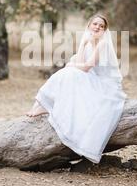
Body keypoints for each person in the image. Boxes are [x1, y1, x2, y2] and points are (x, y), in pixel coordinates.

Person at [25, 14, 128, 163]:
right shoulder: (87, 39)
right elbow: (80, 62)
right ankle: (44, 105)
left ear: (105, 30)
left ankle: (46, 105)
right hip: (93, 78)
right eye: (95, 24)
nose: (98, 27)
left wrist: (72, 65)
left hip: (105, 84)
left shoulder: (103, 44)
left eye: (102, 26)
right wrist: (84, 43)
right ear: (89, 25)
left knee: (69, 72)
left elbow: (85, 67)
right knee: (68, 73)